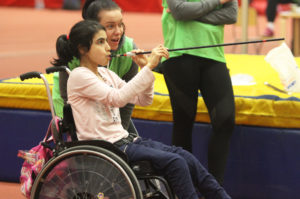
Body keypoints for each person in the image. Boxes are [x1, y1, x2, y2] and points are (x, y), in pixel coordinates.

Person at [52, 19, 232, 199]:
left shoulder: (106, 74)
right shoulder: (79, 75)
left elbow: (144, 99)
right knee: (176, 162)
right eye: (100, 42)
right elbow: (118, 98)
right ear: (83, 49)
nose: (108, 47)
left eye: (106, 41)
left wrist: (144, 67)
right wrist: (150, 67)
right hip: (108, 148)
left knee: (185, 156)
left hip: (126, 141)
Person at [160, 0, 238, 185]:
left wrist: (192, 14)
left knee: (225, 120)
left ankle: (214, 189)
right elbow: (179, 11)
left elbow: (231, 15)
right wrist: (217, 2)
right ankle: (183, 188)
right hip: (180, 54)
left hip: (213, 54)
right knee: (184, 123)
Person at [52, 0, 143, 136]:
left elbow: (129, 100)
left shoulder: (130, 49)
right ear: (92, 28)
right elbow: (67, 100)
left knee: (132, 144)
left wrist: (119, 133)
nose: (118, 32)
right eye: (110, 26)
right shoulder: (75, 52)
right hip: (77, 114)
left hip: (109, 112)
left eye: (121, 24)